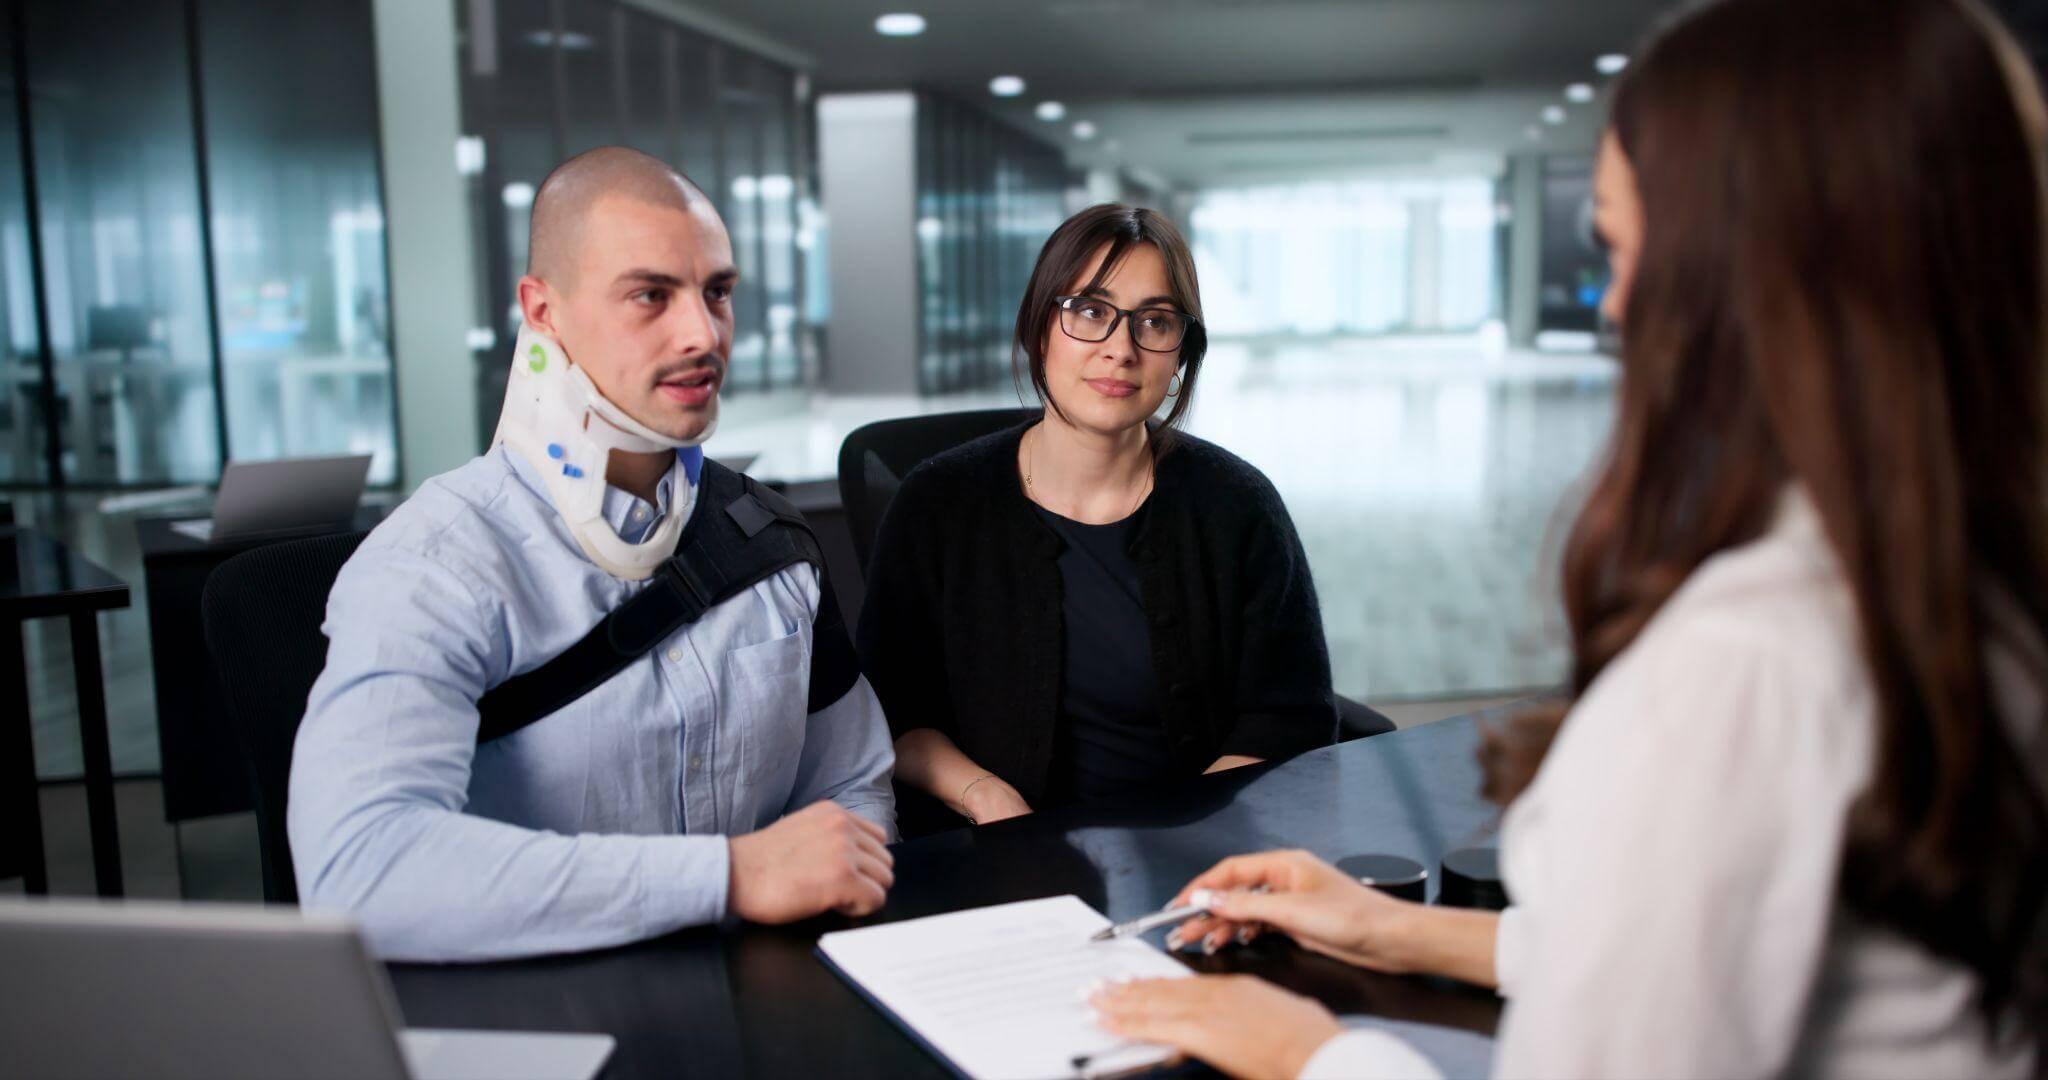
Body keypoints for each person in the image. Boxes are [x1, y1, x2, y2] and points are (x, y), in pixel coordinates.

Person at [1086, 0, 2048, 1075]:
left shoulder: (1741, 665)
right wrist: (1390, 924)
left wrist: (1307, 1052)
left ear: (1748, 277)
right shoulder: (1969, 582)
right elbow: (1690, 960)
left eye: (1627, 250)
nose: (1611, 306)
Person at [289, 147, 896, 963]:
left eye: (718, 292)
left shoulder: (769, 541)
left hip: (770, 1003)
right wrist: (724, 877)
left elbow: (853, 783)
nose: (703, 333)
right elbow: (359, 870)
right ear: (542, 310)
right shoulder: (436, 566)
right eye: (651, 294)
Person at [857, 204, 1337, 829]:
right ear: (1039, 327)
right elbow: (888, 711)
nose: (1121, 349)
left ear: (1181, 356)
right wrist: (986, 798)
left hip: (1191, 861)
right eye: (1090, 311)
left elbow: (1290, 716)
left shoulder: (1237, 505)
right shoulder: (937, 504)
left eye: (1156, 322)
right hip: (996, 857)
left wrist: (1186, 831)